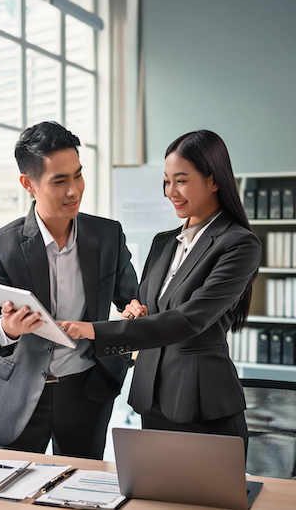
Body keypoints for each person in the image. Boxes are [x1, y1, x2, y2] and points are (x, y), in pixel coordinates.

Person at [57, 130, 261, 453]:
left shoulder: (238, 244)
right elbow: (147, 307)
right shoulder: (163, 243)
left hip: (203, 405)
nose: (171, 192)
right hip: (151, 399)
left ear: (214, 180)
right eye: (166, 181)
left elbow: (189, 320)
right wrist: (135, 312)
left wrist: (97, 331)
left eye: (181, 180)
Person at [0, 121, 138, 459]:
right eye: (59, 181)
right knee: (8, 492)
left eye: (78, 175)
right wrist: (9, 328)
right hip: (17, 396)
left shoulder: (108, 237)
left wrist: (135, 314)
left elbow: (132, 300)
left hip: (87, 390)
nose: (74, 190)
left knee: (82, 494)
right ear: (28, 184)